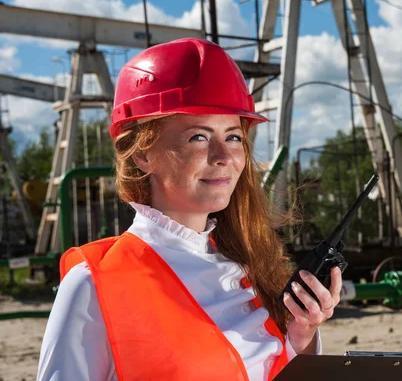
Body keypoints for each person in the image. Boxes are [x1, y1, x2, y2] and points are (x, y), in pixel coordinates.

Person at [37, 38, 343, 381]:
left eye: (233, 137)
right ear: (142, 154)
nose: (224, 156)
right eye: (198, 136)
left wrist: (300, 337)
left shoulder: (242, 265)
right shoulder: (95, 284)